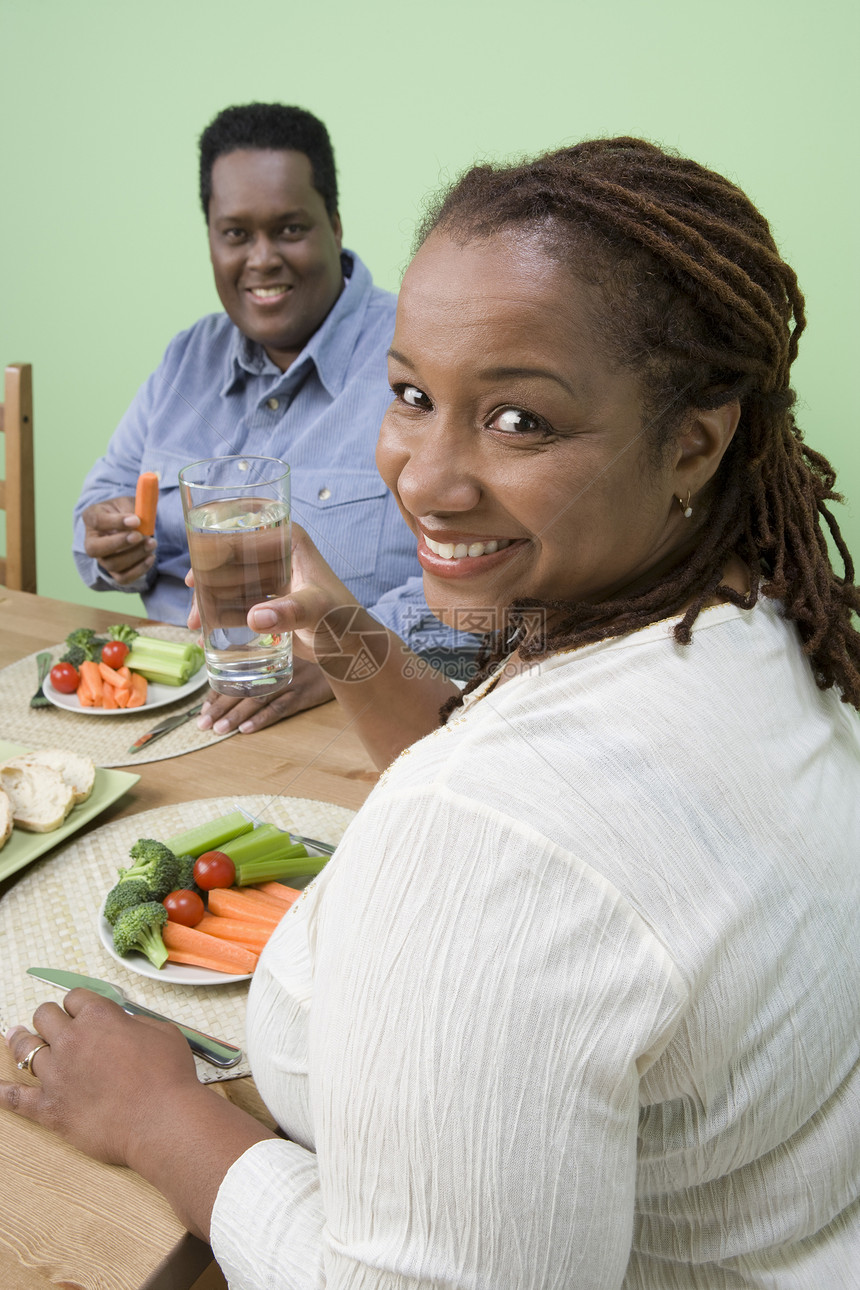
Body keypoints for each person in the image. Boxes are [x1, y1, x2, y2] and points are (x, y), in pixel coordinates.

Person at [7, 138, 860, 1287]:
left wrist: (161, 1118)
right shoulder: (743, 621)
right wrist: (345, 633)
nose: (424, 478)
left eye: (518, 422)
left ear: (692, 444)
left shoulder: (497, 844)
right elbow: (508, 771)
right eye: (410, 397)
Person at [73, 102, 478, 734]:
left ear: (335, 226)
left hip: (344, 718)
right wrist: (110, 544)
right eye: (236, 234)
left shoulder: (424, 357)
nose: (261, 259)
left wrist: (347, 658)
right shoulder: (186, 358)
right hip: (159, 705)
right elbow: (97, 508)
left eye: (289, 229)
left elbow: (483, 591)